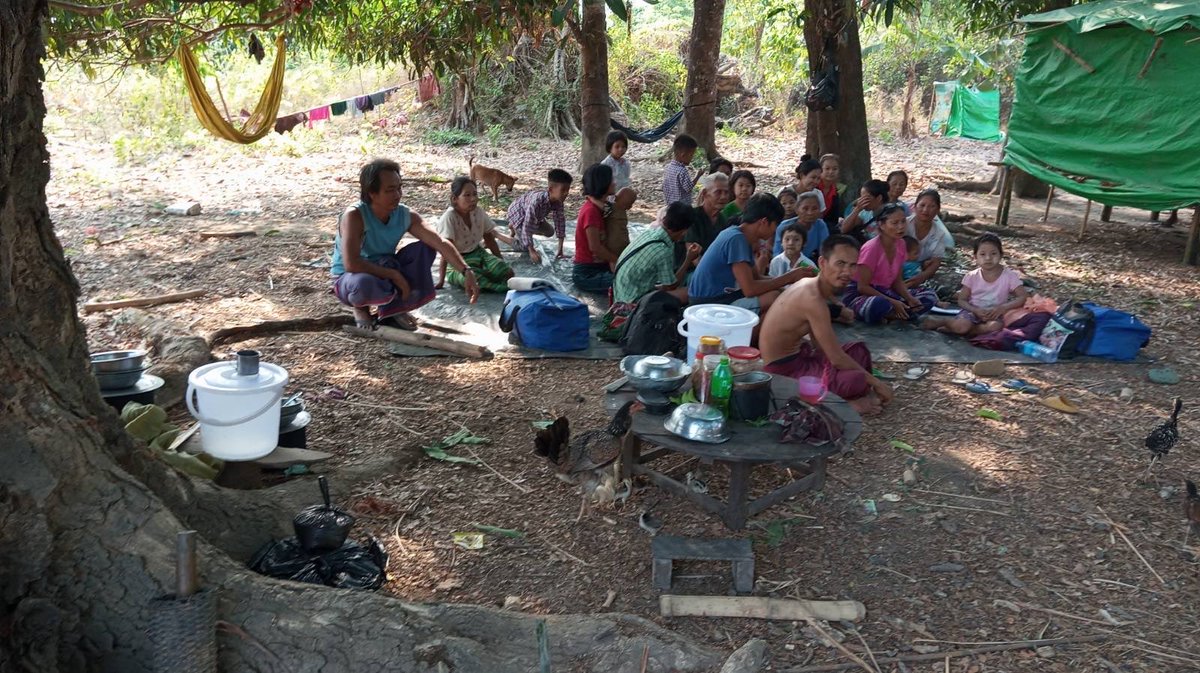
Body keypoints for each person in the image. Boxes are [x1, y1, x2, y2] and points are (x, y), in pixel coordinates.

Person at [332, 159, 479, 330]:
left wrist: (466, 271)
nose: (397, 195)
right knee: (362, 283)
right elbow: (352, 264)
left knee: (425, 249)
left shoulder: (403, 214)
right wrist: (395, 275)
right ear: (372, 193)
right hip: (350, 277)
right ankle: (360, 308)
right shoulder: (354, 216)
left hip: (384, 268)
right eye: (390, 190)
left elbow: (439, 242)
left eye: (399, 188)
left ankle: (392, 309)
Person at [759, 235, 893, 416]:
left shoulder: (813, 286)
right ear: (822, 263)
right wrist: (876, 383)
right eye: (840, 264)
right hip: (782, 372)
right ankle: (847, 405)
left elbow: (821, 348)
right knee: (856, 380)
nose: (847, 272)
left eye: (852, 265)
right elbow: (835, 358)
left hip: (799, 357)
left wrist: (833, 364)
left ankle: (839, 392)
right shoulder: (813, 300)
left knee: (858, 352)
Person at [687, 193, 811, 315]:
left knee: (778, 291)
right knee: (774, 297)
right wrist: (789, 277)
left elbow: (757, 278)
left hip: (720, 298)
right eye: (775, 225)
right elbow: (749, 290)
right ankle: (758, 335)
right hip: (708, 305)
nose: (775, 231)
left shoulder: (739, 236)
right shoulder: (736, 239)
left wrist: (790, 280)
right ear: (764, 222)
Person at [843, 203, 938, 324]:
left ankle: (894, 314)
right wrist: (893, 301)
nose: (901, 227)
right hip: (862, 295)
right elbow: (862, 287)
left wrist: (910, 298)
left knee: (929, 295)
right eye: (895, 223)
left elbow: (897, 281)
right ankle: (896, 313)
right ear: (881, 225)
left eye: (903, 221)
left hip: (887, 292)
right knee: (878, 304)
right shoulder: (871, 248)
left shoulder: (901, 244)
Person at [922, 233, 1027, 336]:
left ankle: (956, 329)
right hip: (972, 312)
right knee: (963, 325)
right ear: (975, 257)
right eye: (982, 254)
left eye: (993, 253)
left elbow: (1022, 297)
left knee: (995, 327)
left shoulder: (1009, 275)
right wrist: (975, 310)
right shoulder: (972, 276)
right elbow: (962, 300)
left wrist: (1003, 308)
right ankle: (944, 322)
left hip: (995, 314)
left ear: (1001, 255)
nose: (988, 258)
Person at [434, 177, 514, 293]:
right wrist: (441, 281)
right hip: (457, 261)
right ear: (455, 199)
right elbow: (446, 251)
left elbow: (489, 239)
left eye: (475, 194)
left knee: (506, 272)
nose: (473, 199)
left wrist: (501, 262)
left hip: (478, 253)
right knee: (474, 280)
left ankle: (489, 277)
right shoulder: (449, 218)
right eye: (467, 195)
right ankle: (502, 287)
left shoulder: (478, 212)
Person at [612, 202, 700, 304]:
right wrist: (688, 259)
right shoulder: (662, 250)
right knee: (690, 292)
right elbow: (670, 286)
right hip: (631, 302)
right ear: (684, 231)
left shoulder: (650, 232)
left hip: (621, 292)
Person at [507, 169, 572, 265]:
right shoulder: (536, 202)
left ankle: (514, 227)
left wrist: (560, 250)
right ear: (550, 190)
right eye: (563, 190)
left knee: (550, 232)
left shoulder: (558, 201)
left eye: (568, 190)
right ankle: (496, 234)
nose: (566, 193)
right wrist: (531, 250)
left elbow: (560, 224)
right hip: (517, 213)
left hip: (534, 217)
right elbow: (528, 225)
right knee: (523, 247)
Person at [572, 163, 620, 292]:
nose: (614, 183)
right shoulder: (590, 211)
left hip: (600, 265)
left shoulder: (600, 207)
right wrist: (617, 260)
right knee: (626, 281)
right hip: (586, 273)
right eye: (611, 180)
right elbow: (595, 247)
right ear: (602, 183)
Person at [903, 188, 954, 290]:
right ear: (915, 206)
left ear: (938, 210)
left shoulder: (939, 234)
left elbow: (936, 262)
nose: (926, 210)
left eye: (932, 206)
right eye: (922, 205)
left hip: (920, 272)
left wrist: (921, 277)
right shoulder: (904, 225)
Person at [773, 191, 829, 259]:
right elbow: (777, 252)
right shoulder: (784, 226)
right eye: (805, 209)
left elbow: (824, 251)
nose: (810, 213)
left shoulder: (820, 225)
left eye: (814, 209)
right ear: (797, 210)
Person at [685, 172, 731, 252]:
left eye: (726, 192)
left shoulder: (723, 220)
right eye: (718, 192)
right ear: (705, 193)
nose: (723, 197)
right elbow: (693, 255)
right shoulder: (692, 217)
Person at [663, 134, 698, 205]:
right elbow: (688, 188)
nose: (692, 158)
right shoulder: (682, 171)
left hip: (670, 206)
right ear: (683, 154)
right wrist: (698, 176)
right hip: (683, 208)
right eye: (691, 155)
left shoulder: (667, 167)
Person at [816, 153, 846, 223]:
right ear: (820, 170)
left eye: (835, 169)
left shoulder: (835, 192)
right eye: (827, 168)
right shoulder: (813, 187)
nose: (831, 172)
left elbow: (833, 217)